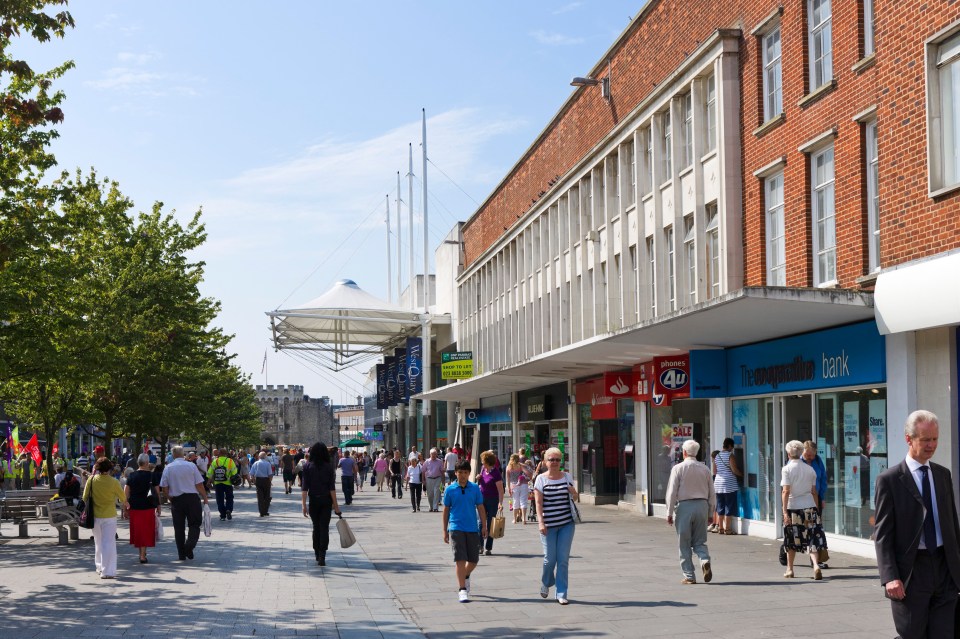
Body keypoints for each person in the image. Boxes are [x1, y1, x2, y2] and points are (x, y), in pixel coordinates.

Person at [875, 410, 960, 638]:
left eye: (935, 439)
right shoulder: (890, 480)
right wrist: (889, 576)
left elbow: (952, 524)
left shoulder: (943, 475)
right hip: (911, 573)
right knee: (912, 634)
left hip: (945, 569)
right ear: (909, 439)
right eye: (925, 440)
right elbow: (883, 534)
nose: (931, 445)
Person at [664, 439, 715, 585]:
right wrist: (711, 512)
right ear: (697, 453)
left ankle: (689, 575)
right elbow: (712, 492)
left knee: (684, 542)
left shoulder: (678, 468)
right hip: (702, 506)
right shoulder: (705, 469)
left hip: (684, 507)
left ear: (684, 452)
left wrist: (669, 512)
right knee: (700, 540)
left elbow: (672, 492)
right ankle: (704, 559)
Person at [533, 447, 578, 604]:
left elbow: (575, 498)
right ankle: (546, 582)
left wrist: (574, 492)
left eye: (557, 459)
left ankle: (561, 593)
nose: (554, 462)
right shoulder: (541, 479)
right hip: (548, 525)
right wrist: (540, 522)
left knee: (563, 559)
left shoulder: (567, 476)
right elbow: (538, 503)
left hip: (566, 524)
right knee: (549, 560)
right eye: (551, 459)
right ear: (545, 462)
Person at [780, 439, 826, 580]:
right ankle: (816, 566)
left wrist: (784, 512)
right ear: (801, 452)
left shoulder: (786, 469)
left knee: (792, 539)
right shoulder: (810, 469)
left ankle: (790, 569)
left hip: (794, 507)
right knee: (812, 537)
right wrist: (817, 509)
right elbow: (814, 491)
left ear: (789, 453)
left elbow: (786, 491)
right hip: (809, 506)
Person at [442, 460, 487, 603]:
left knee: (473, 560)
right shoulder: (450, 489)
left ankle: (465, 575)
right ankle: (462, 589)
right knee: (460, 559)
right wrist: (445, 530)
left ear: (469, 473)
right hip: (456, 528)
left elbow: (480, 508)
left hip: (472, 528)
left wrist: (484, 526)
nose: (462, 475)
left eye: (465, 472)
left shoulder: (474, 488)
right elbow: (446, 510)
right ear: (455, 473)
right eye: (460, 472)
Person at [81, 457, 129, 579]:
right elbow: (123, 498)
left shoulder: (91, 480)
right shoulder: (114, 482)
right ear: (110, 468)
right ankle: (107, 571)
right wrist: (127, 505)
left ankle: (99, 566)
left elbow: (84, 497)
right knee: (109, 543)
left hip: (95, 516)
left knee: (98, 542)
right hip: (110, 515)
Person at [160, 446, 208, 561]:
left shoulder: (168, 468)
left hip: (177, 500)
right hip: (192, 498)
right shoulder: (191, 466)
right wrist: (205, 497)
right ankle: (189, 546)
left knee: (179, 527)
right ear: (183, 454)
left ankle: (181, 553)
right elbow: (199, 484)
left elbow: (164, 488)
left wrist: (170, 498)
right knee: (195, 524)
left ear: (173, 455)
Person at [301, 442, 341, 566]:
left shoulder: (307, 466)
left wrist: (303, 505)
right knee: (324, 528)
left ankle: (317, 553)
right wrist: (336, 505)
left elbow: (304, 488)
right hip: (326, 500)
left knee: (316, 527)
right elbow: (331, 488)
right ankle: (323, 554)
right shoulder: (328, 467)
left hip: (313, 500)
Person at [124, 453, 160, 564]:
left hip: (134, 506)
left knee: (139, 531)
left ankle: (141, 553)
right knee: (145, 531)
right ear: (146, 463)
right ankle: (143, 556)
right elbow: (157, 492)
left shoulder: (131, 475)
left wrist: (126, 507)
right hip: (148, 506)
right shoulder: (152, 476)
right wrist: (158, 506)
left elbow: (125, 492)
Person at [801, 440, 829, 567]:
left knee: (815, 529)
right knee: (799, 529)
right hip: (800, 500)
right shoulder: (796, 462)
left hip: (815, 499)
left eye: (812, 455)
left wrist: (821, 497)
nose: (810, 457)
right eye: (807, 454)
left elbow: (823, 479)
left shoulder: (818, 461)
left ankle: (816, 560)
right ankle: (785, 553)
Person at [476, 450, 504, 556]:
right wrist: (479, 477)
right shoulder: (483, 469)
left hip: (493, 500)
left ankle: (488, 547)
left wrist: (500, 503)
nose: (482, 463)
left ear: (488, 462)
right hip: (481, 499)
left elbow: (501, 490)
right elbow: (481, 481)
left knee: (491, 523)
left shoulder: (496, 473)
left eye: (483, 461)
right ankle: (480, 546)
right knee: (480, 523)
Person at [712, 438, 742, 535]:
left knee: (720, 506)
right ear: (729, 446)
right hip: (729, 484)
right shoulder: (730, 455)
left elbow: (714, 471)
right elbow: (734, 469)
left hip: (718, 484)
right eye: (732, 447)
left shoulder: (717, 456)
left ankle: (720, 528)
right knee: (729, 506)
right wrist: (742, 474)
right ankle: (727, 529)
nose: (732, 449)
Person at [206, 449, 237, 521]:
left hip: (218, 483)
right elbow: (234, 472)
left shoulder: (215, 461)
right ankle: (228, 509)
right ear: (226, 453)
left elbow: (210, 473)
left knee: (220, 499)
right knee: (229, 497)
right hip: (228, 483)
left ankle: (222, 515)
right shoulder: (230, 461)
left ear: (219, 453)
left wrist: (208, 482)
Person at [506, 453, 530, 524]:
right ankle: (524, 519)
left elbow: (508, 479)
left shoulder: (508, 467)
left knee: (515, 501)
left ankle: (515, 519)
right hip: (523, 484)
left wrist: (509, 488)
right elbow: (528, 473)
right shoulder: (520, 466)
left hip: (514, 485)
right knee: (523, 501)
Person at [250, 451, 274, 517]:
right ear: (265, 456)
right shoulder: (267, 464)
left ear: (259, 456)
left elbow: (251, 473)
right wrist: (270, 481)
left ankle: (261, 512)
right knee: (267, 496)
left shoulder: (256, 463)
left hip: (258, 480)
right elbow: (270, 474)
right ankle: (265, 511)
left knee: (260, 497)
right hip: (266, 480)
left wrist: (254, 480)